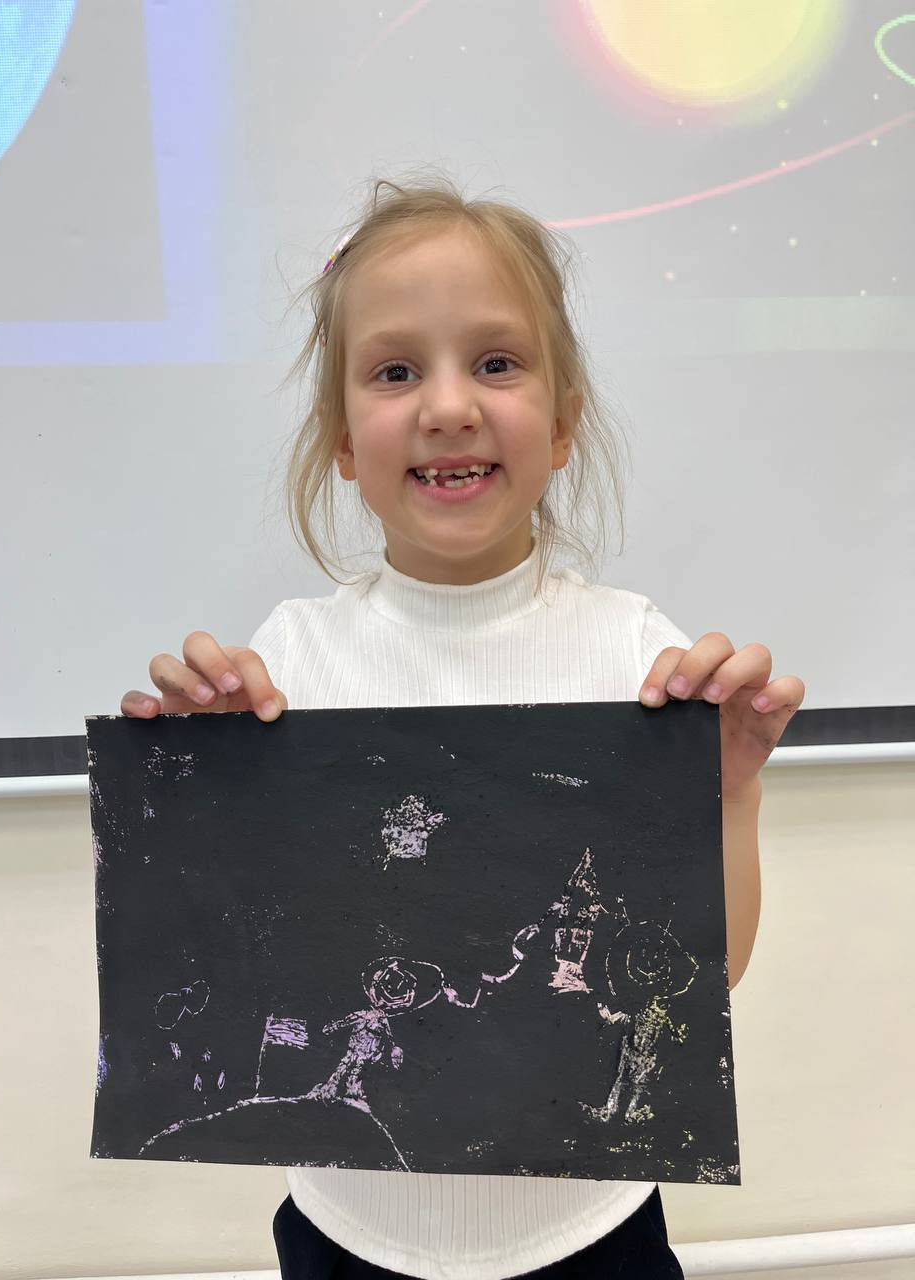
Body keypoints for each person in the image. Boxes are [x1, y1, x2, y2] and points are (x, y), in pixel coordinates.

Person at [121, 173, 805, 1279]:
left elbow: (700, 979)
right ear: (343, 439)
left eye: (495, 362)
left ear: (564, 422)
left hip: (590, 1235)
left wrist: (728, 793)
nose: (447, 406)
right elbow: (235, 963)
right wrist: (195, 796)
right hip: (349, 1234)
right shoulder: (286, 663)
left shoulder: (642, 659)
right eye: (396, 371)